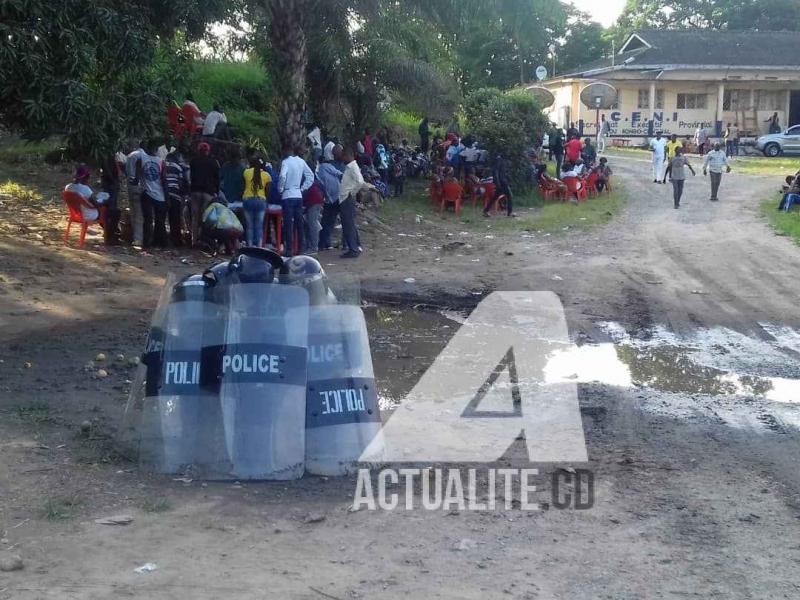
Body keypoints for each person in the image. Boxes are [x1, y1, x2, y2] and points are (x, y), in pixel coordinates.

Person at [278, 145, 314, 257]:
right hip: (298, 194)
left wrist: (280, 189)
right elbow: (310, 176)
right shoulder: (301, 162)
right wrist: (303, 188)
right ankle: (301, 248)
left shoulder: (285, 162)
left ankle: (289, 249)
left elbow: (283, 176)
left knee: (288, 223)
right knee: (299, 223)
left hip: (287, 195)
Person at [189, 142, 220, 247]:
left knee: (195, 217)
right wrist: (217, 191)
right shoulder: (213, 162)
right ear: (208, 151)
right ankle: (204, 240)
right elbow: (217, 179)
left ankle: (194, 240)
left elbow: (191, 176)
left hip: (195, 191)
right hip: (208, 192)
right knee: (205, 217)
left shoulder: (193, 161)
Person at [138, 140, 168, 248]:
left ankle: (146, 244)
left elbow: (136, 177)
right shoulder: (161, 162)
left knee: (148, 220)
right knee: (160, 221)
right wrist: (167, 197)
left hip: (146, 194)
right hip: (159, 196)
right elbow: (164, 181)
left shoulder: (141, 160)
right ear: (156, 150)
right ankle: (159, 243)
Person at [338, 148, 364, 258]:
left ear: (348, 156)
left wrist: (351, 192)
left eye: (343, 156)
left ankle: (353, 249)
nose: (342, 158)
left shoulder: (352, 167)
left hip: (347, 199)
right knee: (350, 224)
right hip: (345, 198)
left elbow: (360, 181)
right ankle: (356, 246)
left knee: (348, 225)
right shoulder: (350, 167)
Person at [318, 145, 344, 251]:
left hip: (331, 198)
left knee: (326, 221)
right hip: (337, 196)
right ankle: (326, 243)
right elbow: (339, 174)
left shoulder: (321, 170)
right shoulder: (328, 166)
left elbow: (322, 185)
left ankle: (324, 243)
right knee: (332, 220)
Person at [242, 154, 272, 247]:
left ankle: (250, 246)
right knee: (259, 226)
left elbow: (243, 186)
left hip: (247, 200)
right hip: (260, 201)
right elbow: (268, 191)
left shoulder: (246, 172)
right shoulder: (267, 175)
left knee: (249, 226)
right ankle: (258, 246)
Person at [164, 151, 189, 246]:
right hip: (175, 195)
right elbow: (181, 182)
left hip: (164, 195)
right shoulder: (178, 167)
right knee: (175, 218)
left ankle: (166, 239)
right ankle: (176, 240)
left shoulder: (163, 166)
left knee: (164, 218)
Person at [125, 142, 147, 246]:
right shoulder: (143, 156)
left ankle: (133, 236)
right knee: (139, 214)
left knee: (133, 212)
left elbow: (126, 171)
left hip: (130, 186)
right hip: (139, 186)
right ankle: (138, 239)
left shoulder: (130, 155)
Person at [483, 153, 514, 218]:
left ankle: (486, 211)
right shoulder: (499, 160)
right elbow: (495, 172)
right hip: (502, 182)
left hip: (501, 182)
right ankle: (509, 213)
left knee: (495, 197)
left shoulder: (500, 160)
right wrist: (498, 183)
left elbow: (499, 172)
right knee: (509, 196)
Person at [100, 154, 122, 244]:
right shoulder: (107, 156)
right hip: (110, 185)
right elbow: (107, 170)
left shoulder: (111, 156)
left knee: (111, 209)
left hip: (110, 184)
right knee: (113, 211)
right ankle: (110, 236)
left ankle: (109, 233)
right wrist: (114, 181)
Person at [303, 177, 325, 254]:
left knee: (312, 224)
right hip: (316, 199)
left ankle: (313, 247)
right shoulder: (311, 178)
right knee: (313, 223)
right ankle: (313, 245)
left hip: (313, 201)